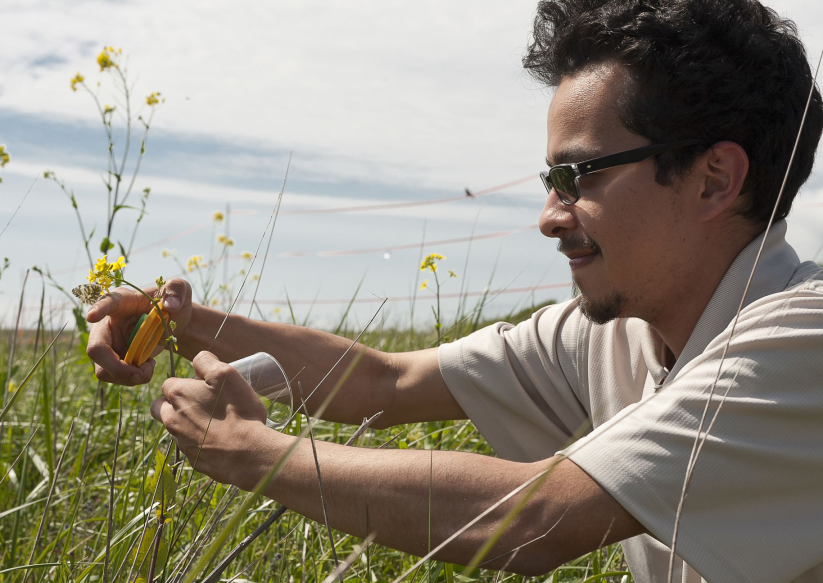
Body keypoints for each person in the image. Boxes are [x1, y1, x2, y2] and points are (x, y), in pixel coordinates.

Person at [85, 0, 823, 580]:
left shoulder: (800, 342)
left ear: (715, 179)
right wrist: (180, 323)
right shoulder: (615, 330)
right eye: (549, 181)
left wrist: (255, 453)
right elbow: (386, 378)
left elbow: (538, 518)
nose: (548, 217)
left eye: (579, 177)